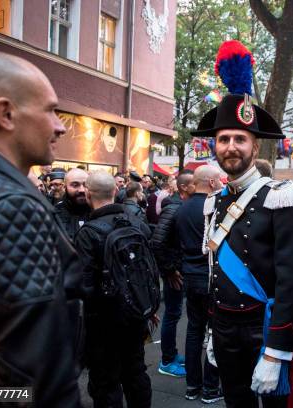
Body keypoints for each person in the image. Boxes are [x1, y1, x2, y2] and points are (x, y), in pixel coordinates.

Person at [0, 50, 80, 406]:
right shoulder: (10, 207)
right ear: (6, 114)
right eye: (50, 110)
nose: (60, 126)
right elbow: (32, 383)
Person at [192, 40, 293, 408]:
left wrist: (276, 351)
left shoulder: (280, 196)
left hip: (264, 328)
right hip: (225, 330)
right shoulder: (215, 200)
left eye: (240, 139)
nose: (231, 147)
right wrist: (212, 328)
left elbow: (291, 281)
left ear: (255, 148)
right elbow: (213, 273)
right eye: (223, 139)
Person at [74, 170, 153, 408]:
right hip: (136, 312)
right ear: (116, 191)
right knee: (136, 371)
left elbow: (83, 284)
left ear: (88, 194)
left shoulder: (88, 232)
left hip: (103, 320)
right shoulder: (137, 221)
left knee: (105, 380)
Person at [175, 165, 224, 403]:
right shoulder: (216, 207)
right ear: (212, 183)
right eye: (220, 180)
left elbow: (166, 242)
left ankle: (192, 386)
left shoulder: (182, 208)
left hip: (191, 275)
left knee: (194, 330)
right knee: (214, 331)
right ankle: (210, 388)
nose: (223, 183)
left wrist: (173, 268)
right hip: (211, 276)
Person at [151, 170, 194, 378]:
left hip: (179, 268)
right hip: (174, 271)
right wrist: (169, 270)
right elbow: (157, 241)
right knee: (172, 314)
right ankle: (167, 360)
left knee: (175, 313)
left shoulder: (181, 206)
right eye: (195, 184)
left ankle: (172, 355)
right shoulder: (175, 207)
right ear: (185, 187)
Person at [54, 168, 91, 240]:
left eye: (85, 185)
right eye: (75, 185)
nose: (82, 190)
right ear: (65, 187)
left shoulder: (97, 210)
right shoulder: (55, 213)